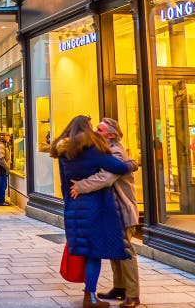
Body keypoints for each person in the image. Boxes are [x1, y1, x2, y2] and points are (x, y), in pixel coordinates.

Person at [50, 115, 132, 308]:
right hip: (95, 206)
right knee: (94, 253)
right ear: (86, 129)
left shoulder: (64, 153)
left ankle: (91, 295)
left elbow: (64, 185)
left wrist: (70, 204)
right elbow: (119, 167)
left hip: (74, 205)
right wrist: (133, 162)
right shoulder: (93, 149)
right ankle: (91, 297)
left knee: (85, 251)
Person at [71, 118, 141, 308]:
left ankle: (133, 295)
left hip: (123, 207)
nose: (95, 131)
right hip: (112, 207)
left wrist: (81, 186)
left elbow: (106, 178)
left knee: (126, 251)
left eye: (100, 130)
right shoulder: (103, 149)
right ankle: (119, 287)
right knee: (115, 247)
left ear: (111, 134)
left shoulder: (116, 151)